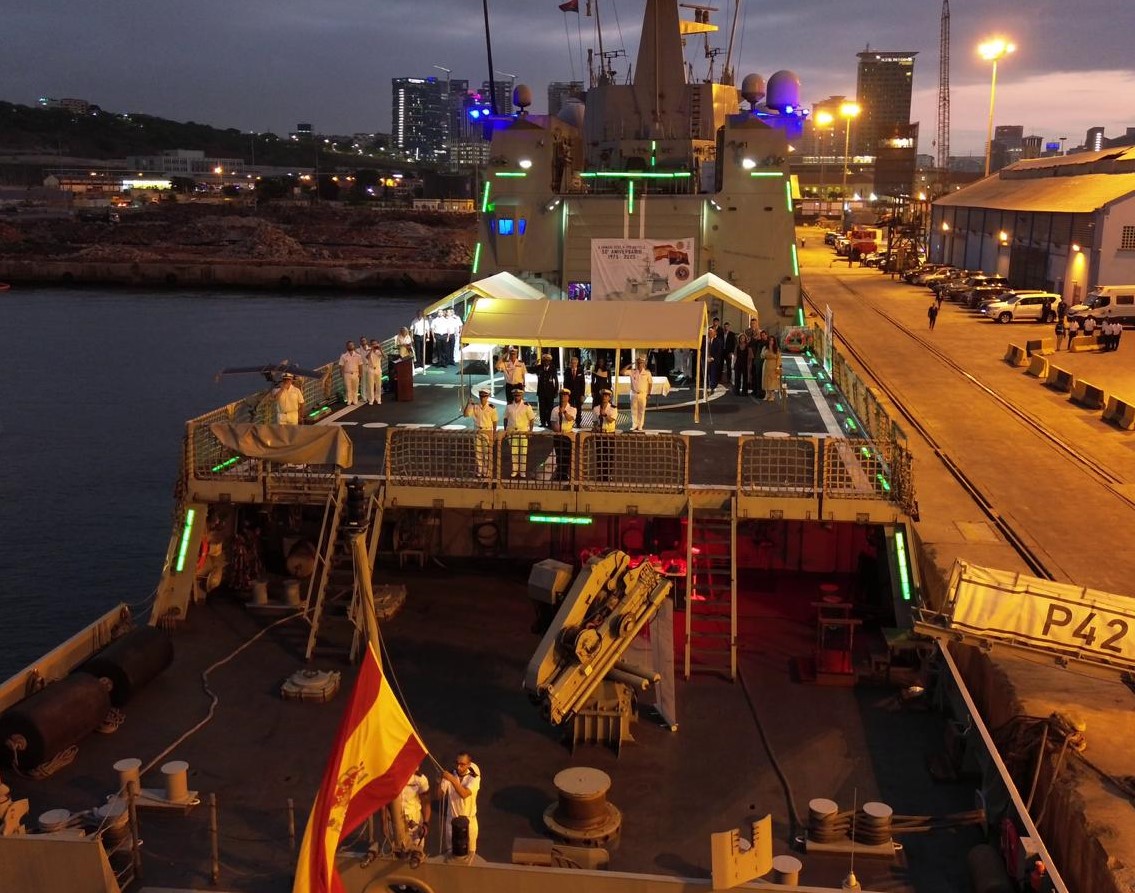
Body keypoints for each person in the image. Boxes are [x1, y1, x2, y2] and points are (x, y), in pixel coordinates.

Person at [438, 752, 480, 857]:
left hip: (469, 821)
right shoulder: (451, 774)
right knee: (451, 853)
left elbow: (464, 794)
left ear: (469, 765)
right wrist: (439, 781)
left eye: (462, 764)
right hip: (452, 820)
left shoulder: (474, 778)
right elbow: (439, 796)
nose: (458, 767)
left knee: (470, 854)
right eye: (457, 763)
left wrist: (452, 779)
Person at [394, 765, 431, 861]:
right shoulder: (394, 778)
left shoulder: (420, 779)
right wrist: (384, 821)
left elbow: (426, 803)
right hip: (398, 823)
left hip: (415, 822)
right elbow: (386, 803)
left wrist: (425, 824)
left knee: (416, 856)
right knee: (400, 857)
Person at [463, 389, 497, 478]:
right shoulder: (475, 406)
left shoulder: (491, 407)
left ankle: (486, 471)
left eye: (484, 396)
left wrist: (494, 434)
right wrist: (468, 404)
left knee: (487, 453)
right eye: (481, 396)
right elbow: (465, 415)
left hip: (487, 431)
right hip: (477, 431)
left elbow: (495, 421)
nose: (482, 398)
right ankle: (480, 470)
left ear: (487, 397)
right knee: (478, 452)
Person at [504, 388, 535, 478]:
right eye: (515, 395)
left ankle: (522, 471)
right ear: (513, 396)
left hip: (523, 431)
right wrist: (505, 430)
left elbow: (532, 419)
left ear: (521, 396)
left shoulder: (526, 406)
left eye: (518, 395)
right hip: (512, 431)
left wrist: (530, 431)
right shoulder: (509, 406)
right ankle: (514, 470)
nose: (517, 397)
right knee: (514, 452)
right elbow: (505, 419)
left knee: (523, 452)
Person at [550, 387, 577, 482]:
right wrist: (557, 430)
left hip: (568, 435)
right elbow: (553, 422)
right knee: (559, 455)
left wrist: (564, 412)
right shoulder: (555, 409)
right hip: (558, 434)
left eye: (565, 395)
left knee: (567, 456)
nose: (563, 397)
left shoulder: (572, 409)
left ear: (568, 397)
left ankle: (565, 474)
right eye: (561, 395)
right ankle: (559, 474)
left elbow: (570, 419)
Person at [593, 388, 617, 481]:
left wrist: (605, 415)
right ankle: (601, 474)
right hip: (600, 434)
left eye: (606, 396)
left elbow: (611, 420)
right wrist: (596, 427)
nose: (604, 397)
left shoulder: (613, 408)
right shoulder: (596, 408)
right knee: (599, 455)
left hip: (609, 434)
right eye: (603, 396)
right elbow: (595, 422)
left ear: (609, 398)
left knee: (609, 455)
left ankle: (608, 474)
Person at [626, 355, 653, 432]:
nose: (639, 364)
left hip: (642, 394)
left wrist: (649, 394)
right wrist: (630, 364)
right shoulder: (632, 371)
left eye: (641, 363)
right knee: (634, 410)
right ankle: (634, 425)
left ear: (644, 364)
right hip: (634, 393)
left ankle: (640, 425)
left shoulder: (647, 373)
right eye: (638, 363)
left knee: (641, 410)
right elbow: (622, 372)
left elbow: (650, 383)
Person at [535, 353, 559, 428]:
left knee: (549, 407)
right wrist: (535, 364)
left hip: (550, 391)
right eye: (544, 361)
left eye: (547, 361)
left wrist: (556, 390)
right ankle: (543, 422)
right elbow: (532, 370)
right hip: (541, 391)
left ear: (550, 361)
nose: (546, 362)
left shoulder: (553, 368)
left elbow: (556, 380)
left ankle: (549, 422)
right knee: (542, 407)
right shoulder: (539, 367)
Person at [338, 340, 363, 406]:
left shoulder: (358, 356)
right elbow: (341, 365)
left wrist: (360, 373)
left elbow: (360, 365)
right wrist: (341, 374)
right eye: (349, 345)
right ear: (347, 347)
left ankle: (355, 400)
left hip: (355, 373)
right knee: (348, 388)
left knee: (355, 387)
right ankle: (349, 400)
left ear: (354, 346)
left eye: (352, 345)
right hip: (347, 374)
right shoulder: (343, 356)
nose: (350, 346)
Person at [363, 339, 385, 405]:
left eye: (375, 344)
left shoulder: (379, 351)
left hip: (378, 369)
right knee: (370, 385)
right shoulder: (368, 350)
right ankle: (371, 399)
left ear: (377, 344)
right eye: (373, 344)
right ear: (370, 345)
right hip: (370, 369)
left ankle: (378, 399)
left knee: (378, 385)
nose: (374, 345)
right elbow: (367, 357)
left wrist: (380, 349)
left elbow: (385, 357)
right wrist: (371, 350)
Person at [761, 336, 782, 402]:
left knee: (772, 380)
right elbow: (762, 356)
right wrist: (766, 352)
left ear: (774, 342)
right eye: (770, 340)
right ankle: (767, 394)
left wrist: (777, 367)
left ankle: (772, 395)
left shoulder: (776, 349)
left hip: (774, 366)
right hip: (766, 364)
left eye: (772, 340)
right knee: (766, 379)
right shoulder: (765, 348)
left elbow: (779, 358)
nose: (771, 342)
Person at [734, 331, 752, 395]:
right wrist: (733, 364)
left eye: (743, 338)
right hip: (738, 363)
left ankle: (744, 392)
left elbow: (750, 357)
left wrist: (749, 365)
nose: (742, 339)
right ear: (739, 339)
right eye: (741, 338)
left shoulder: (748, 347)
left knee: (745, 378)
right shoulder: (737, 347)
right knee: (737, 378)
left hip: (745, 364)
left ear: (745, 339)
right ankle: (737, 391)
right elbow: (735, 355)